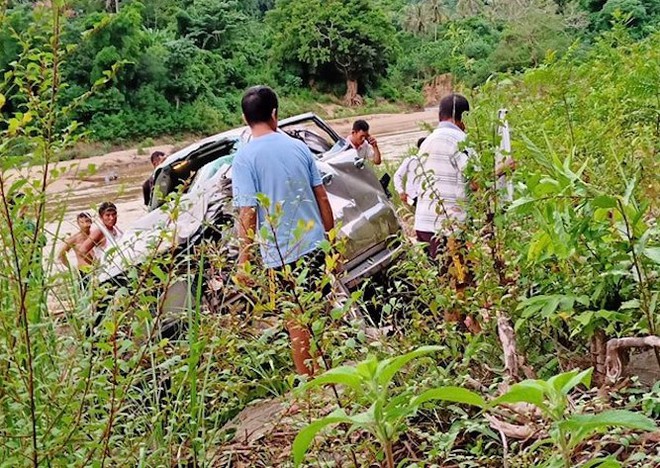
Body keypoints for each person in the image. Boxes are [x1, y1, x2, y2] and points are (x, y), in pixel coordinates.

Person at [232, 85, 334, 376]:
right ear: (275, 114)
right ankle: (327, 377)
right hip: (315, 245)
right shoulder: (299, 147)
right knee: (318, 313)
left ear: (245, 118)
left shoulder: (244, 158)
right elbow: (322, 197)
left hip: (282, 254)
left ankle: (310, 387)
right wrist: (332, 241)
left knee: (295, 322)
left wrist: (244, 263)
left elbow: (248, 212)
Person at [393, 136, 425, 206]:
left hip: (426, 195)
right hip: (413, 196)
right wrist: (401, 192)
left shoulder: (430, 160)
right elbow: (397, 175)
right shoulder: (411, 160)